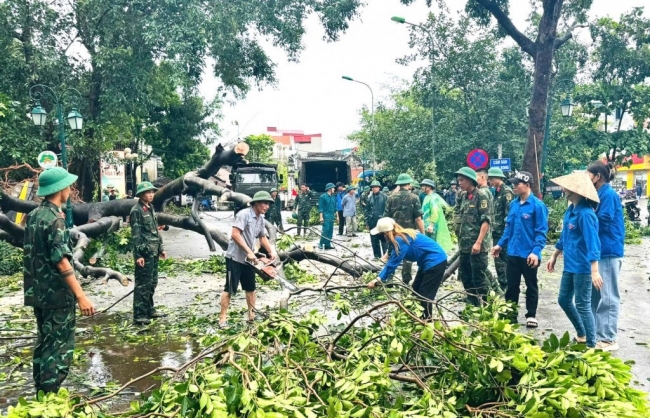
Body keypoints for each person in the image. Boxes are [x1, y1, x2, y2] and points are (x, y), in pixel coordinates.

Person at [24, 167, 96, 394]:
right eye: (67, 186)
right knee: (58, 348)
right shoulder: (56, 220)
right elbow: (62, 262)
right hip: (57, 296)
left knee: (44, 342)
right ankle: (49, 394)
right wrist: (81, 296)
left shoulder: (35, 215)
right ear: (60, 189)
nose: (70, 189)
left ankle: (42, 391)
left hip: (38, 293)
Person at [547, 172, 602, 348]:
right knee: (563, 300)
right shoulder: (570, 211)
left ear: (576, 190)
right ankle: (581, 334)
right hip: (569, 265)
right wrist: (554, 255)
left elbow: (593, 242)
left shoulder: (586, 214)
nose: (563, 189)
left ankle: (591, 345)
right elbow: (565, 237)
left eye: (566, 187)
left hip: (583, 268)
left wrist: (594, 270)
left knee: (583, 305)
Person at [492, 171, 548, 327]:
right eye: (513, 184)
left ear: (527, 185)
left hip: (530, 254)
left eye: (517, 184)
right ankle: (511, 314)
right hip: (513, 252)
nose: (514, 186)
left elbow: (541, 232)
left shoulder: (537, 206)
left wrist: (535, 252)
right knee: (512, 286)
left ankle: (531, 315)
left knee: (531, 284)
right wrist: (500, 245)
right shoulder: (514, 205)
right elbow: (508, 229)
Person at [367, 218, 447, 319]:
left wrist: (377, 279)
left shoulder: (400, 239)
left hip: (435, 261)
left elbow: (393, 263)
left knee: (424, 296)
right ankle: (416, 317)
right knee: (415, 290)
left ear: (386, 233)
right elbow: (392, 257)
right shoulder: (398, 238)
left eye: (381, 234)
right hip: (426, 263)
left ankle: (427, 321)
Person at [220, 191, 278, 327]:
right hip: (234, 258)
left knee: (251, 288)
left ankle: (251, 315)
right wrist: (249, 251)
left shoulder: (261, 219)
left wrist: (270, 251)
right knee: (229, 289)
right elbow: (235, 234)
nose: (267, 206)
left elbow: (262, 237)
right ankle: (222, 319)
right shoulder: (244, 214)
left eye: (268, 203)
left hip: (248, 260)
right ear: (256, 203)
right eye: (264, 203)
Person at [587, 161, 625, 351]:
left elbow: (603, 219)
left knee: (608, 296)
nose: (587, 178)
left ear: (598, 177)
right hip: (598, 251)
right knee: (595, 296)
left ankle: (609, 338)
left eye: (589, 175)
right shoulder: (597, 194)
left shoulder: (608, 194)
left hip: (609, 250)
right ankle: (594, 335)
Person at [130, 181, 167, 325]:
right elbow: (135, 235)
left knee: (152, 282)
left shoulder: (150, 208)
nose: (151, 194)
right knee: (143, 284)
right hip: (144, 253)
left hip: (154, 251)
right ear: (141, 194)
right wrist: (138, 255)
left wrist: (161, 249)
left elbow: (155, 231)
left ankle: (149, 309)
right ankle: (139, 314)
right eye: (148, 192)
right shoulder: (136, 211)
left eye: (152, 192)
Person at [453, 167, 492, 306]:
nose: (460, 183)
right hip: (464, 245)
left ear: (470, 181)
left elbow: (486, 221)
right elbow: (458, 214)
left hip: (477, 246)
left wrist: (478, 242)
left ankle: (488, 305)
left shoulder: (481, 196)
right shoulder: (462, 196)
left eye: (462, 180)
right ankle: (473, 304)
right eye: (459, 181)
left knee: (479, 277)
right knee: (465, 275)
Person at [383, 173, 424, 285]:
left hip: (394, 232)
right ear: (409, 184)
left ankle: (389, 279)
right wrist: (422, 233)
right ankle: (406, 281)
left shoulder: (390, 198)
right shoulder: (414, 198)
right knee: (407, 257)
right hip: (408, 232)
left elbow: (386, 217)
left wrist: (387, 233)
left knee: (392, 253)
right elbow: (418, 218)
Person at [488, 168, 514, 291]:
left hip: (503, 233)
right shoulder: (496, 192)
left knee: (503, 261)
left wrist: (505, 233)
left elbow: (508, 215)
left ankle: (507, 286)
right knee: (498, 261)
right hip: (496, 232)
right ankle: (504, 285)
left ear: (499, 178)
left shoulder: (507, 192)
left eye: (492, 179)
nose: (490, 181)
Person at [420, 179, 453, 253]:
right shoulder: (426, 197)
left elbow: (435, 211)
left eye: (423, 186)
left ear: (429, 187)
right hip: (426, 224)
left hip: (431, 226)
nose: (422, 187)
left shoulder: (433, 197)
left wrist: (431, 225)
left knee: (432, 245)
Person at [367, 180, 388, 258]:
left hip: (382, 221)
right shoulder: (369, 198)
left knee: (384, 239)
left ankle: (385, 256)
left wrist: (385, 219)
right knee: (374, 239)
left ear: (379, 187)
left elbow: (387, 209)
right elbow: (367, 211)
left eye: (376, 187)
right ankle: (376, 256)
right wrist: (367, 222)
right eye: (372, 187)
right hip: (372, 222)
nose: (374, 188)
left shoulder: (384, 197)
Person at [319, 183, 338, 250]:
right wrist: (321, 217)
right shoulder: (322, 197)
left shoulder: (333, 197)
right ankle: (321, 244)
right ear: (330, 189)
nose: (334, 189)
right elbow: (321, 208)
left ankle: (327, 244)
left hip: (331, 217)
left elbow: (335, 207)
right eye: (333, 188)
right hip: (325, 217)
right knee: (325, 230)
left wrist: (337, 216)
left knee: (330, 231)